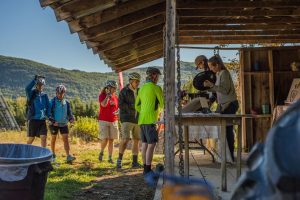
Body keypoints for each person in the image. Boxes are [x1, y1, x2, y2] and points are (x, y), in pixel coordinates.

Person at [203, 54, 239, 161]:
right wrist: (208, 89)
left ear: (217, 65)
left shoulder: (224, 73)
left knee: (227, 129)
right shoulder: (219, 74)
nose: (211, 69)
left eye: (212, 67)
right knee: (223, 130)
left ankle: (230, 156)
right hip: (224, 104)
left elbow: (225, 90)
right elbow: (218, 89)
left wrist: (211, 86)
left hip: (230, 104)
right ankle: (225, 155)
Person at [135, 67, 164, 174]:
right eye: (158, 75)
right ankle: (147, 169)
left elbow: (137, 105)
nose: (158, 78)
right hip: (151, 120)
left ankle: (145, 168)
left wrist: (144, 111)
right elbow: (163, 103)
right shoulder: (156, 88)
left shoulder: (142, 88)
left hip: (141, 120)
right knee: (151, 145)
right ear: (154, 75)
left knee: (145, 144)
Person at [116, 72, 142, 169]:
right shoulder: (124, 91)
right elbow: (120, 104)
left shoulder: (140, 91)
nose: (138, 83)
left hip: (137, 119)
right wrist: (132, 107)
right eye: (136, 81)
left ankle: (134, 163)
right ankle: (119, 161)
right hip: (126, 118)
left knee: (136, 140)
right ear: (131, 81)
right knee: (126, 139)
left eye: (138, 81)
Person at [49, 84, 76, 163]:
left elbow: (69, 112)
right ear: (56, 93)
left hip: (64, 123)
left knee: (66, 139)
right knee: (53, 139)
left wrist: (71, 118)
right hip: (54, 124)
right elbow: (48, 113)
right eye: (58, 93)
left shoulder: (67, 102)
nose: (60, 94)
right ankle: (53, 155)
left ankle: (68, 156)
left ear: (64, 93)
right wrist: (53, 121)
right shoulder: (52, 101)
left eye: (61, 93)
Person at [25, 75, 51, 147]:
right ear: (36, 85)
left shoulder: (45, 95)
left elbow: (48, 107)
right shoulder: (31, 94)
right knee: (31, 138)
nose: (40, 86)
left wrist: (49, 116)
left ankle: (43, 155)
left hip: (42, 120)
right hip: (33, 120)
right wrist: (34, 80)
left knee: (43, 137)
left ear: (43, 86)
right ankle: (26, 151)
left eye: (41, 85)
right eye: (38, 85)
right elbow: (27, 89)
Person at [98, 80, 119, 163]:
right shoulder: (102, 95)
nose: (114, 90)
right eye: (113, 88)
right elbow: (103, 104)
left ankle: (110, 158)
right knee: (105, 139)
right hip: (103, 120)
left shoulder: (115, 97)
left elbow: (116, 108)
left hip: (113, 120)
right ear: (108, 88)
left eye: (115, 88)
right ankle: (102, 152)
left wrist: (117, 112)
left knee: (111, 140)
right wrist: (107, 96)